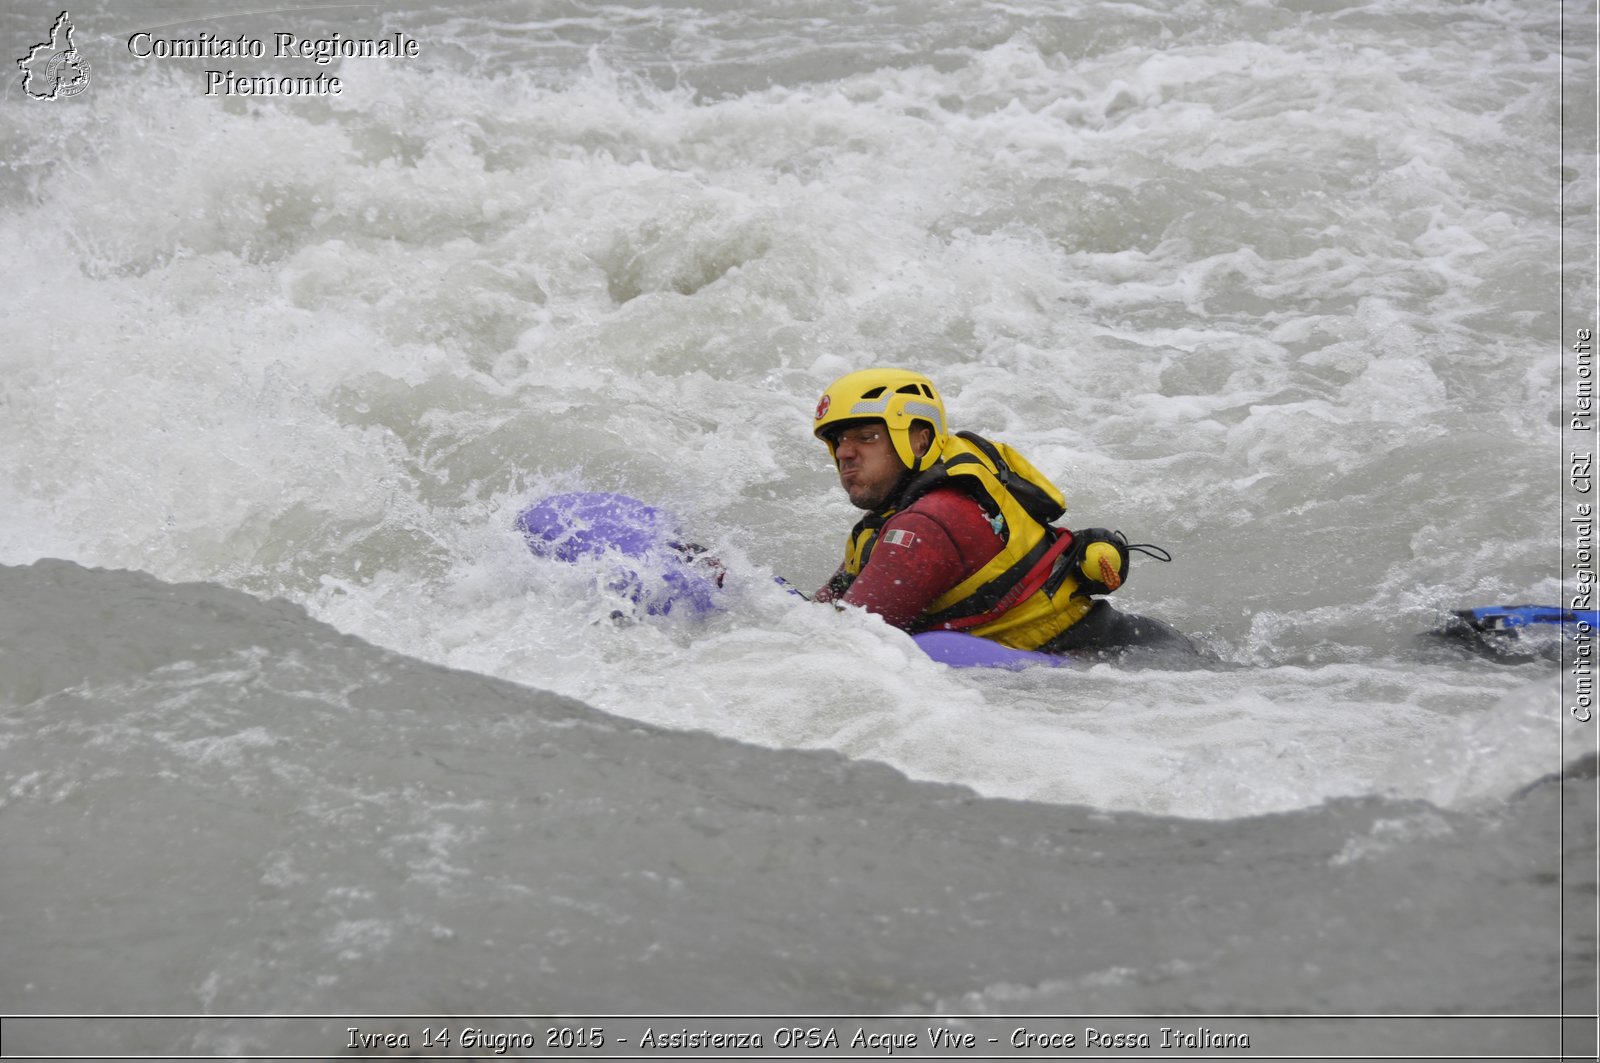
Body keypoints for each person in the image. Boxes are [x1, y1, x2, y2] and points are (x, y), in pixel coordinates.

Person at [811, 367, 1192, 657]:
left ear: (919, 438)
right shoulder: (906, 513)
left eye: (866, 437)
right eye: (838, 440)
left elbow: (845, 645)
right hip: (1135, 648)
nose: (845, 453)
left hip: (1127, 662)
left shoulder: (927, 525)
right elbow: (826, 612)